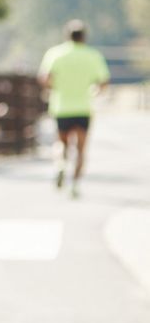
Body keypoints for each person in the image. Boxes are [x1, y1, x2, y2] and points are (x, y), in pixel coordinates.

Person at [37, 19, 110, 198]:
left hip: (61, 106)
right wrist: (94, 93)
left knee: (61, 143)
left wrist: (53, 88)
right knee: (80, 149)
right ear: (84, 37)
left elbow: (44, 77)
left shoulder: (55, 54)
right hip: (83, 107)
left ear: (67, 35)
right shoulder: (93, 55)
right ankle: (75, 185)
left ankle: (60, 165)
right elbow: (103, 82)